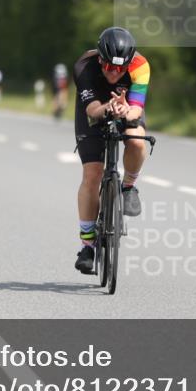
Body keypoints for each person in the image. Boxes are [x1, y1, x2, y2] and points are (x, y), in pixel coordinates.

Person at [72, 27, 150, 274]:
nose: (112, 73)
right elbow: (92, 110)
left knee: (137, 141)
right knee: (92, 173)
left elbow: (137, 109)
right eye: (107, 67)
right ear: (100, 60)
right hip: (95, 109)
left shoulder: (140, 66)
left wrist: (126, 111)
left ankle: (128, 187)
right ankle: (87, 244)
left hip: (126, 107)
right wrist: (108, 108)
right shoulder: (85, 66)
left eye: (119, 69)